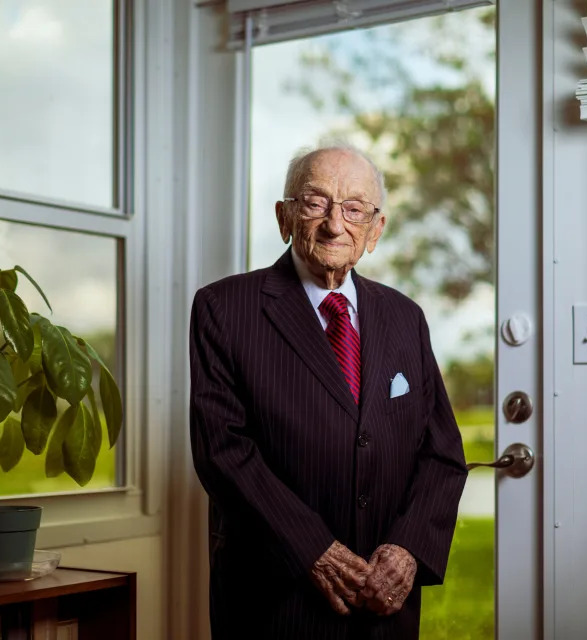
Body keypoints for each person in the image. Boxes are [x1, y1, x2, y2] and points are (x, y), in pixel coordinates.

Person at [190, 145, 468, 639]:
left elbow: (442, 453)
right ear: (285, 216)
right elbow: (223, 452)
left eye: (354, 209)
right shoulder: (223, 309)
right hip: (275, 598)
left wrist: (407, 550)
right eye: (316, 203)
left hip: (386, 605)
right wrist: (313, 548)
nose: (335, 225)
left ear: (376, 229)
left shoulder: (406, 318)